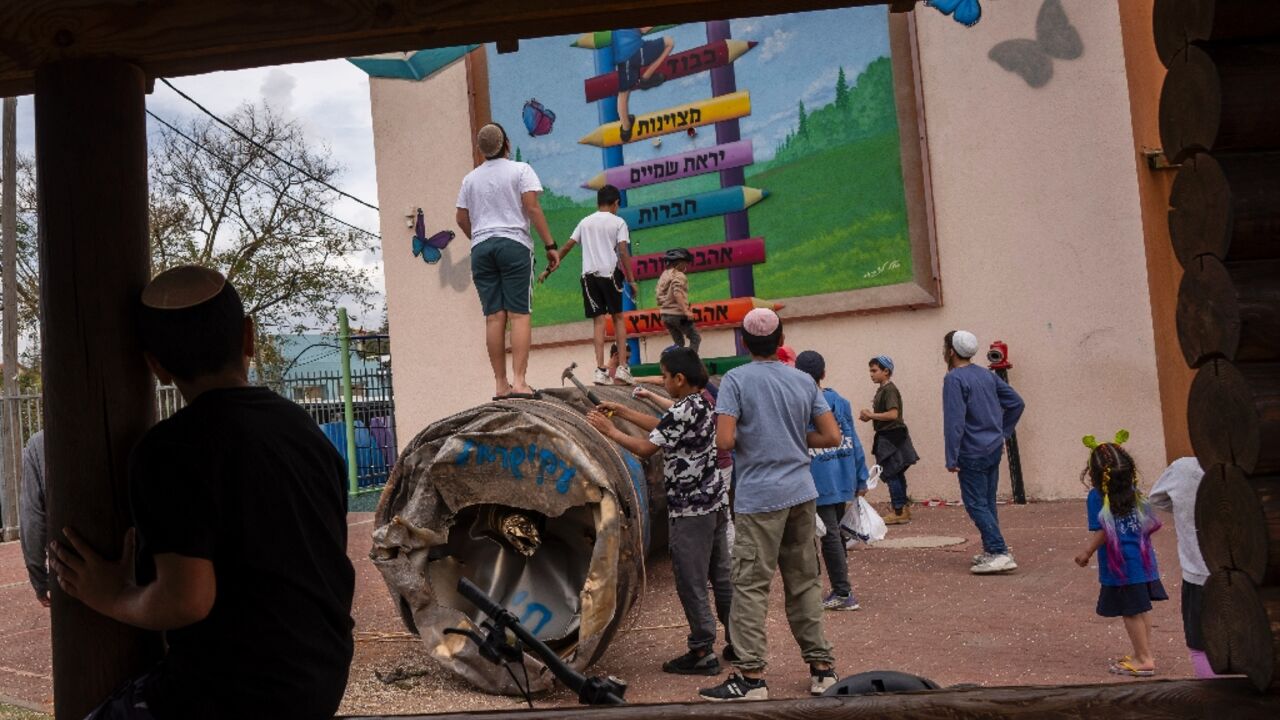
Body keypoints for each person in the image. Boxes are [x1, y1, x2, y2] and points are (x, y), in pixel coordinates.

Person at [49, 266, 356, 720]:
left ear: (156, 365)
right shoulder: (303, 430)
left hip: (235, 695)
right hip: (321, 680)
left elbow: (187, 599)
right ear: (248, 337)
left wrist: (110, 595)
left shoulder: (167, 450)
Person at [698, 308, 842, 702]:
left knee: (749, 586)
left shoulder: (736, 381)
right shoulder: (803, 381)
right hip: (801, 493)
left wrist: (759, 438)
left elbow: (724, 441)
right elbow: (831, 436)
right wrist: (792, 439)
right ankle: (822, 669)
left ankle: (751, 678)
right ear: (781, 341)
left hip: (759, 497)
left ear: (744, 343)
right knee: (805, 581)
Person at [586, 348, 732, 676]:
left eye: (665, 377)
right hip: (714, 504)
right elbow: (664, 426)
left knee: (691, 580)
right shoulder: (705, 402)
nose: (663, 382)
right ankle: (738, 640)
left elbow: (646, 446)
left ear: (680, 379)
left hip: (690, 511)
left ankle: (702, 650)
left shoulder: (684, 409)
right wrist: (623, 410)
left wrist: (609, 431)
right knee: (720, 576)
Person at [455, 122, 560, 400]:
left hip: (481, 248)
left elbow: (461, 219)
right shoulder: (520, 170)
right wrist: (550, 245)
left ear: (481, 150)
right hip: (514, 245)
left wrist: (478, 237)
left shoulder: (470, 179)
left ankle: (501, 386)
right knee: (519, 313)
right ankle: (520, 382)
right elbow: (532, 207)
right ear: (507, 144)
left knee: (493, 316)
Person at [1073, 436, 1165, 678]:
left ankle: (1143, 659)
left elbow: (1103, 530)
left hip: (1121, 565)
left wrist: (1087, 552)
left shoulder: (1097, 497)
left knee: (1131, 611)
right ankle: (1144, 652)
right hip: (1143, 561)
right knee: (1142, 609)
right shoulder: (1134, 492)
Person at [942, 329, 1025, 575]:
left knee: (975, 503)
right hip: (992, 447)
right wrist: (1003, 433)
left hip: (971, 450)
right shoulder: (986, 375)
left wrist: (951, 456)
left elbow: (954, 422)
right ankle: (992, 549)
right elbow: (1016, 403)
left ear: (950, 351)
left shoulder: (954, 379)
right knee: (987, 502)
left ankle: (999, 550)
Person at [796, 350, 869, 612]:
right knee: (834, 534)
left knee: (829, 535)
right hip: (842, 473)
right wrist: (861, 477)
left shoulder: (801, 405)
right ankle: (840, 587)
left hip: (820, 479)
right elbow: (855, 441)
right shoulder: (840, 401)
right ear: (823, 373)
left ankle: (843, 591)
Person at [557, 184, 637, 385]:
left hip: (588, 277)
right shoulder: (618, 222)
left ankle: (600, 369)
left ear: (598, 202)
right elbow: (623, 251)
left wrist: (551, 268)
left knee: (598, 322)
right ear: (616, 203)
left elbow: (567, 246)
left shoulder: (585, 222)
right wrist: (631, 279)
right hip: (609, 274)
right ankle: (622, 368)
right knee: (618, 318)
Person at [1148, 457, 1218, 678]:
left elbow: (1157, 498)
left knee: (1199, 645)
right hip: (1252, 575)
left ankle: (1215, 699)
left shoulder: (1183, 468)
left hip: (1198, 573)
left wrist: (1184, 509)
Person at [859, 355, 918, 525]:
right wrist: (871, 417)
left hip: (892, 437)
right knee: (897, 472)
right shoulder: (882, 390)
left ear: (886, 371)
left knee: (892, 472)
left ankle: (898, 509)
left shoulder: (890, 390)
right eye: (870, 370)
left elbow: (893, 414)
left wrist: (871, 415)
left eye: (874, 370)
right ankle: (902, 508)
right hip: (891, 435)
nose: (871, 374)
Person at [613, 28, 674, 143]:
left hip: (622, 58)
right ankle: (646, 78)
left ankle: (626, 130)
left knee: (623, 94)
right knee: (669, 42)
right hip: (637, 52)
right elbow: (644, 29)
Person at [18, 430, 49, 607]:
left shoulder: (39, 444)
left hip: (69, 569)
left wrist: (40, 580)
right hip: (129, 570)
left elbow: (32, 519)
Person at [656, 248, 700, 354]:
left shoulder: (664, 275)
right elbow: (677, 293)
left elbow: (658, 296)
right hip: (677, 315)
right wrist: (686, 311)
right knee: (695, 338)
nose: (686, 267)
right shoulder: (679, 275)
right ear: (679, 263)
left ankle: (671, 358)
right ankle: (690, 362)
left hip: (665, 315)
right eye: (685, 263)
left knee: (679, 343)